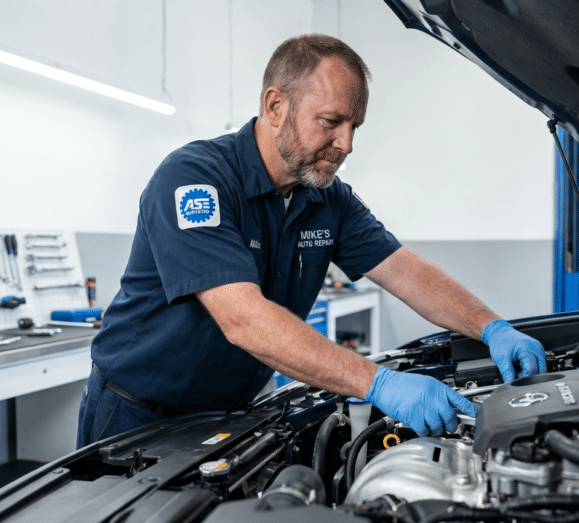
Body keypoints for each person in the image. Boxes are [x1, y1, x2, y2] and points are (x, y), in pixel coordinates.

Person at [77, 34, 545, 447]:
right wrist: (378, 384)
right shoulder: (194, 179)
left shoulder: (327, 198)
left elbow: (402, 268)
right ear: (276, 106)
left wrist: (492, 328)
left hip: (229, 416)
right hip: (136, 415)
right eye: (331, 122)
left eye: (354, 126)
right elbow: (243, 320)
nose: (347, 144)